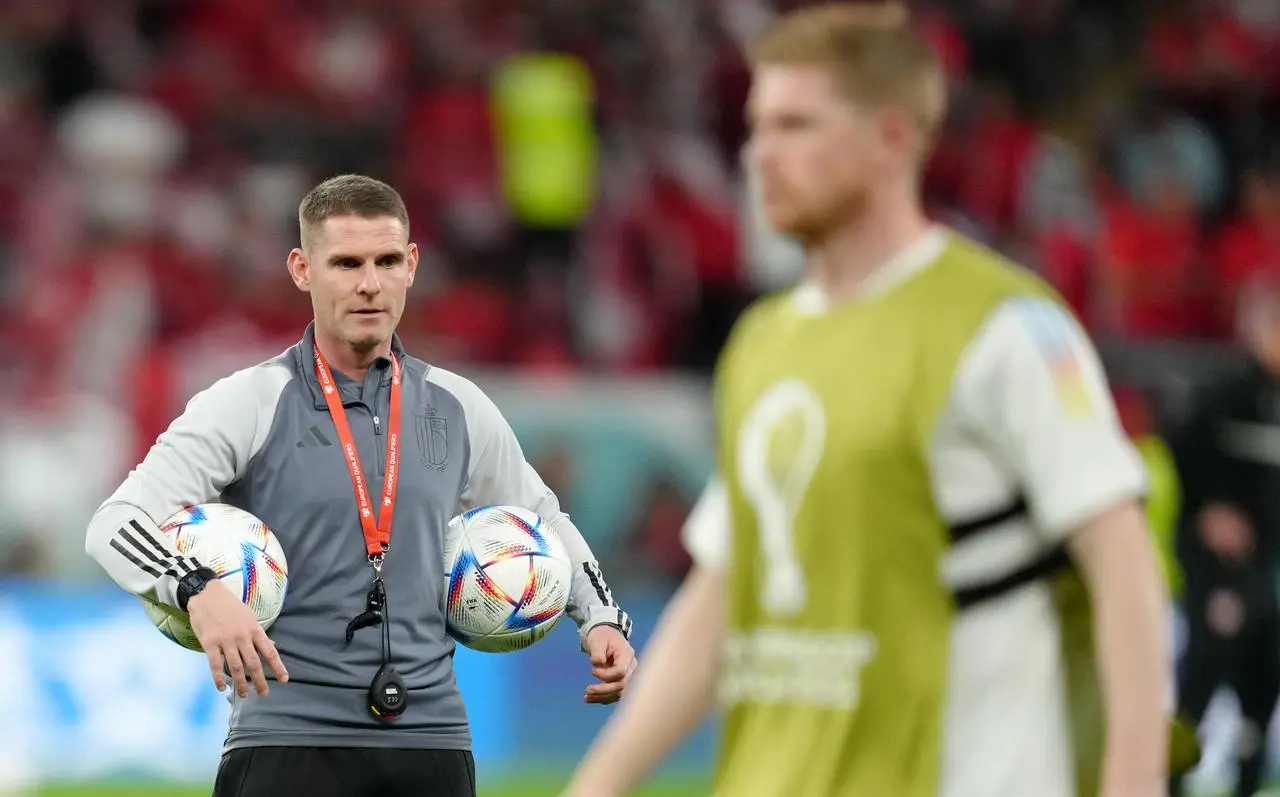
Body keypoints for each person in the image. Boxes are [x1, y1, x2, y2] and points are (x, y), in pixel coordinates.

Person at [563, 5, 1176, 797]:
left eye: (796, 126)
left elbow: (1120, 551)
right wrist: (598, 783)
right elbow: (720, 596)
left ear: (892, 139)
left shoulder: (1004, 326)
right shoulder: (764, 341)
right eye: (756, 127)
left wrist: (1135, 775)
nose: (760, 156)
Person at [84, 174, 636, 797]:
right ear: (302, 269)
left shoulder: (458, 406)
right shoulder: (250, 403)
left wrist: (601, 618)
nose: (369, 283)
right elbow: (115, 521)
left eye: (387, 261)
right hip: (285, 745)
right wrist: (196, 590)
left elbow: (543, 519)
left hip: (432, 745)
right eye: (345, 263)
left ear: (412, 265)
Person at [1169, 276, 1280, 797]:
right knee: (1204, 681)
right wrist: (1206, 512)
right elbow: (1177, 446)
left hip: (1267, 573)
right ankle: (1164, 782)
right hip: (1219, 572)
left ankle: (1248, 786)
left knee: (1262, 691)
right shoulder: (1222, 392)